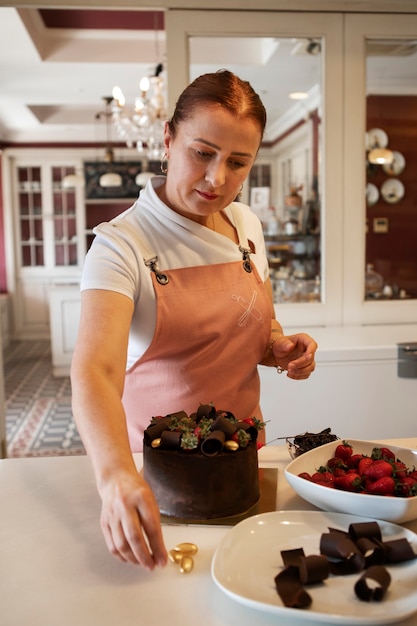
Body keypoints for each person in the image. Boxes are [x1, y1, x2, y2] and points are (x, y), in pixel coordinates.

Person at [71, 70, 318, 572]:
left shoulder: (246, 225)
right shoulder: (121, 245)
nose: (217, 179)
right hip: (158, 475)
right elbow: (94, 371)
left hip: (243, 454)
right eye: (202, 153)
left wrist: (282, 348)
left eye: (238, 162)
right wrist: (115, 475)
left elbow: (259, 328)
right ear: (168, 138)